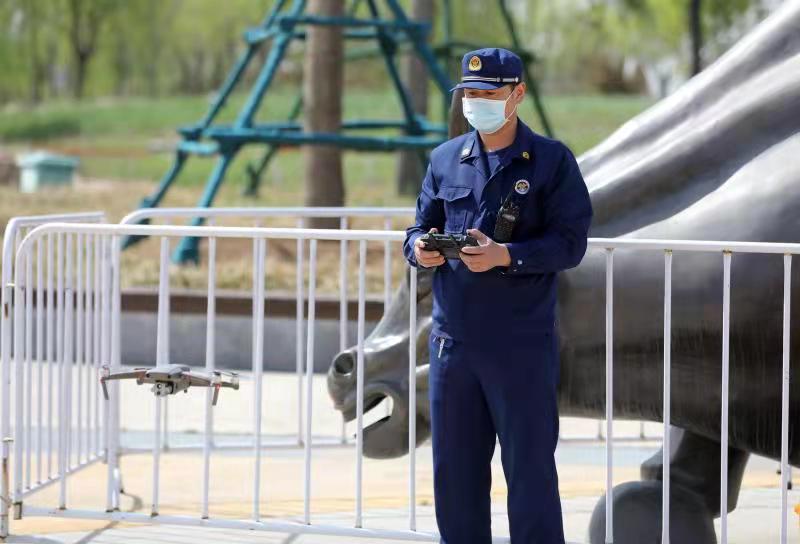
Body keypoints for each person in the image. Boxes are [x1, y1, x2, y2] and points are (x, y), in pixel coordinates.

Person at [402, 47, 593, 543]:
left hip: (519, 346)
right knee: (455, 478)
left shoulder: (551, 161)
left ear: (517, 94)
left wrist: (506, 255)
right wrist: (419, 249)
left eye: (488, 93)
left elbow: (570, 244)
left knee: (530, 476)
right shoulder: (445, 159)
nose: (476, 101)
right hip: (453, 346)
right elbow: (418, 227)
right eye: (469, 93)